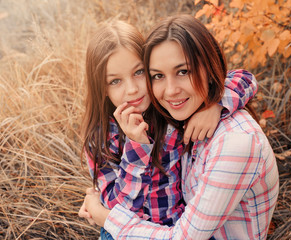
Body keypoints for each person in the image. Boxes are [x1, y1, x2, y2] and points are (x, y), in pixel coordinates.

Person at [80, 15, 279, 240]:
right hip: (124, 230)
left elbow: (243, 78)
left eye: (139, 73)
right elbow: (116, 210)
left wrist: (216, 105)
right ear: (102, 88)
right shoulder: (101, 136)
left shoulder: (166, 113)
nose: (133, 89)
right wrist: (137, 148)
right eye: (115, 81)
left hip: (175, 225)